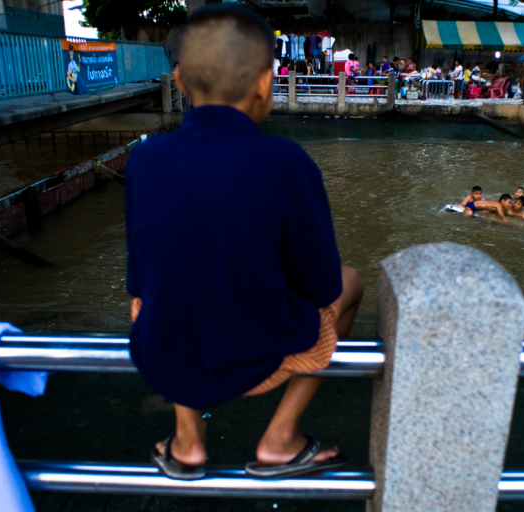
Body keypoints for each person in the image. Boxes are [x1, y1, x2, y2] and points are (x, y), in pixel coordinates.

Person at [125, 5, 363, 481]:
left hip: (167, 351)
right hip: (261, 356)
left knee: (147, 295)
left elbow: (139, 275)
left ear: (181, 80)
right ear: (264, 82)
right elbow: (319, 286)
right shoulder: (287, 161)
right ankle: (280, 438)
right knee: (350, 282)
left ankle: (188, 439)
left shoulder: (144, 160)